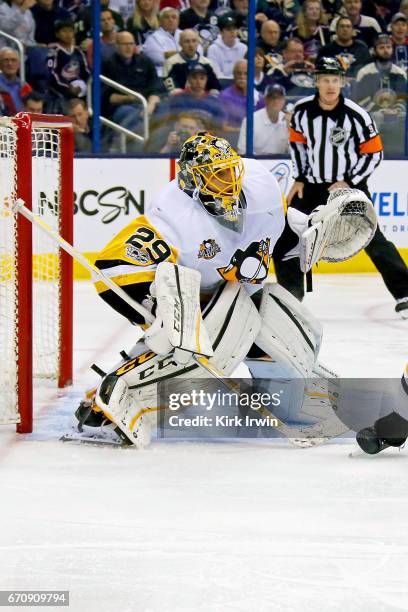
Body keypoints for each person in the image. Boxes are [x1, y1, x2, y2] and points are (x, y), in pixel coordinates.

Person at [74, 131, 328, 446]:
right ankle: (120, 398)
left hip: (243, 294)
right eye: (219, 174)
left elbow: (279, 232)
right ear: (195, 180)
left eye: (231, 169)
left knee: (292, 335)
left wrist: (314, 229)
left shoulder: (259, 187)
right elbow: (113, 270)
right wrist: (160, 311)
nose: (231, 180)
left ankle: (290, 398)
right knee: (205, 351)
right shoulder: (171, 216)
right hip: (195, 307)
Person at [272, 56, 408, 318]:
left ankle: (404, 292)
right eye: (325, 79)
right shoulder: (301, 110)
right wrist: (299, 177)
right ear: (317, 82)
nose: (330, 85)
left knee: (371, 238)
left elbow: (374, 153)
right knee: (287, 236)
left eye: (335, 79)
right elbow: (297, 145)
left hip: (348, 189)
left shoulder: (356, 115)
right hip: (311, 187)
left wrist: (349, 180)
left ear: (342, 82)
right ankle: (290, 297)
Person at [101, 30, 163, 131]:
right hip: (120, 107)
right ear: (116, 45)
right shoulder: (107, 64)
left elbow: (155, 87)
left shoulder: (145, 61)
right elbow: (106, 97)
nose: (129, 47)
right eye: (124, 44)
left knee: (165, 111)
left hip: (146, 104)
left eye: (131, 44)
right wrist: (129, 98)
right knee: (134, 116)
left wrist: (150, 107)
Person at [47, 20, 90, 113]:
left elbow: (86, 71)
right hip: (61, 89)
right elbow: (51, 73)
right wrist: (68, 87)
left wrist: (87, 84)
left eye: (70, 31)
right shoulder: (53, 51)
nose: (68, 34)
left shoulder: (78, 51)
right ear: (57, 34)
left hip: (80, 87)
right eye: (64, 31)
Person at [219, 59, 264, 146]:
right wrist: (244, 130)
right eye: (238, 73)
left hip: (256, 142)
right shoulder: (224, 97)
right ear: (234, 75)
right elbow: (222, 128)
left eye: (246, 73)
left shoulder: (259, 97)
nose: (242, 77)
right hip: (232, 142)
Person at [163, 28, 220, 94]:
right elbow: (172, 91)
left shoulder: (206, 63)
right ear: (180, 43)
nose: (191, 45)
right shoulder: (171, 63)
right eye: (187, 41)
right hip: (180, 101)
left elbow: (215, 88)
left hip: (204, 101)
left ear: (198, 43)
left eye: (194, 41)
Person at [237, 83, 289, 155]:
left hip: (282, 164)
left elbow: (294, 152)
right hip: (257, 163)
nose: (276, 101)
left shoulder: (288, 121)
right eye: (272, 97)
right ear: (265, 100)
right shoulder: (250, 120)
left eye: (279, 98)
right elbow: (242, 150)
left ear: (284, 101)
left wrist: (291, 129)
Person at [142, 7, 181, 76]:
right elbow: (159, 58)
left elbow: (198, 51)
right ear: (160, 21)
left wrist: (169, 54)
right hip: (163, 73)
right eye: (167, 17)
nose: (171, 20)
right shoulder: (153, 38)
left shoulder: (185, 34)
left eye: (174, 17)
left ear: (178, 21)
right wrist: (185, 54)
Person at [207, 14, 247, 78]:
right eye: (228, 29)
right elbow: (216, 73)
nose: (232, 32)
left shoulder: (243, 48)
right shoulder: (213, 49)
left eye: (234, 29)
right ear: (221, 32)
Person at [0, 47, 32, 116]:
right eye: (6, 60)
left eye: (13, 60)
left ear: (19, 65)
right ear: (0, 64)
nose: (10, 63)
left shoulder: (25, 86)